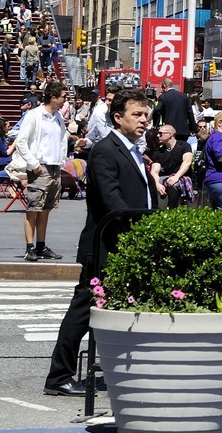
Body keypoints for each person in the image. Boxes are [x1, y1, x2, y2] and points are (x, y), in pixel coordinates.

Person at [44, 89, 155, 397]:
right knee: (83, 310)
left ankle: (121, 366)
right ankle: (59, 376)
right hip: (107, 246)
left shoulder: (133, 149)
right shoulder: (106, 150)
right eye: (137, 114)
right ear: (118, 118)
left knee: (121, 308)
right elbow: (112, 201)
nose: (144, 120)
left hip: (129, 245)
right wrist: (142, 229)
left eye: (146, 114)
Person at [10, 82, 71, 262]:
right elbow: (21, 141)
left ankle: (41, 245)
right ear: (53, 97)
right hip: (40, 166)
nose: (65, 100)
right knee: (33, 208)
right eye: (63, 97)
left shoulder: (58, 116)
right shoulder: (34, 115)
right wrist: (34, 164)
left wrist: (61, 160)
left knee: (46, 209)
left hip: (54, 167)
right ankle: (30, 248)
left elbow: (61, 139)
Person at [147, 123, 194, 209]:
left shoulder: (184, 146)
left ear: (170, 134)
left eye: (160, 133)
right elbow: (154, 171)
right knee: (151, 185)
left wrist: (176, 176)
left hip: (181, 177)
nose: (158, 135)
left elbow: (187, 162)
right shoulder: (158, 152)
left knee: (174, 184)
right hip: (164, 179)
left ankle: (173, 210)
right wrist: (156, 184)